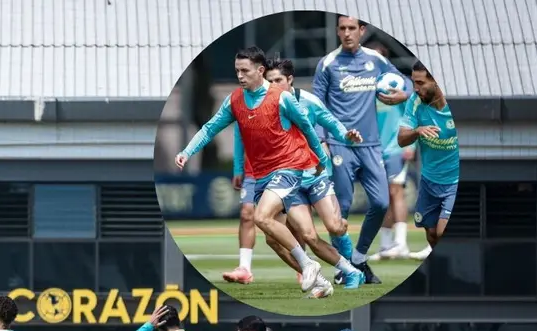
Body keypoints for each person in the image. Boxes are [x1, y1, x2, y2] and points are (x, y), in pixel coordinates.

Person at [176, 46, 335, 298]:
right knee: (272, 235)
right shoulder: (235, 100)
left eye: (245, 71)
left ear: (260, 71)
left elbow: (306, 126)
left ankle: (309, 265)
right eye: (237, 70)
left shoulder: (281, 97)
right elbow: (209, 129)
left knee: (261, 217)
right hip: (261, 174)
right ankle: (321, 282)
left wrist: (319, 158)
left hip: (288, 167)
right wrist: (187, 151)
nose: (240, 76)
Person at [223, 58, 365, 290]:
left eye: (278, 80)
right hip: (289, 180)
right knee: (305, 235)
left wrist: (346, 136)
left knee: (336, 227)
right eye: (270, 81)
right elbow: (241, 134)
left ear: (290, 80)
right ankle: (347, 272)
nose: (274, 85)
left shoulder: (308, 101)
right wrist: (239, 168)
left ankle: (348, 261)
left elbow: (332, 124)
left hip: (315, 175)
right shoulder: (259, 103)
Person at [314, 16, 411, 285]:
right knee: (340, 209)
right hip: (339, 145)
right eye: (342, 28)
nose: (347, 33)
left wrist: (404, 95)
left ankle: (357, 257)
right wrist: (322, 139)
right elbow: (318, 106)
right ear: (337, 31)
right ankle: (342, 265)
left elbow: (405, 81)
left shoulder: (375, 60)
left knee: (381, 202)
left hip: (371, 146)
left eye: (352, 28)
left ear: (362, 30)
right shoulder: (328, 63)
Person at [398, 61, 459, 253]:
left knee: (441, 232)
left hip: (453, 182)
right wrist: (418, 130)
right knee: (431, 234)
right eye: (413, 82)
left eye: (421, 83)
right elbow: (401, 139)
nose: (416, 89)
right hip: (429, 180)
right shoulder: (415, 102)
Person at [366, 42, 416, 261]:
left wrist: (412, 145)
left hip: (398, 147)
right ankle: (386, 246)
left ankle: (402, 244)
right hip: (374, 150)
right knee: (381, 197)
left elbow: (413, 113)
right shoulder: (365, 86)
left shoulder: (400, 83)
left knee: (396, 191)